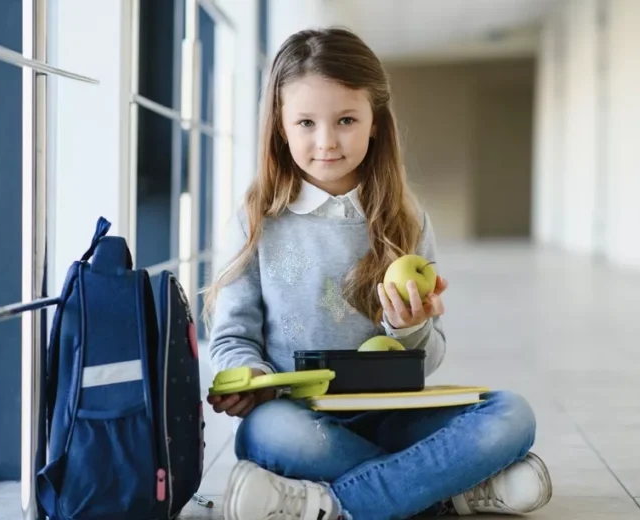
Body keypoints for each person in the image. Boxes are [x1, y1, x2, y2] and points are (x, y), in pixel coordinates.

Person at [203, 27, 552, 520]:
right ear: (280, 126)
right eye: (305, 122)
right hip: (302, 420)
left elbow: (428, 361)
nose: (326, 142)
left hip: (393, 415)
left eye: (346, 119)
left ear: (375, 123)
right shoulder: (255, 219)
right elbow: (232, 338)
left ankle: (334, 504)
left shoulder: (405, 219)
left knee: (512, 414)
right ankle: (448, 493)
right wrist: (251, 378)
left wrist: (409, 327)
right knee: (266, 432)